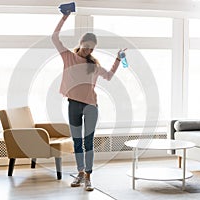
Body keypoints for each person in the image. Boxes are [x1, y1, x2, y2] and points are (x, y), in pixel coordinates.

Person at [52, 13, 122, 191]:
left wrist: (118, 60)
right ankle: (80, 173)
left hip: (91, 106)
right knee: (77, 141)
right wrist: (65, 16)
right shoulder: (68, 57)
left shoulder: (93, 66)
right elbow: (54, 37)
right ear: (81, 42)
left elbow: (108, 76)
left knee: (88, 141)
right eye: (87, 47)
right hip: (73, 104)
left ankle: (89, 177)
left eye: (92, 49)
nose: (89, 51)